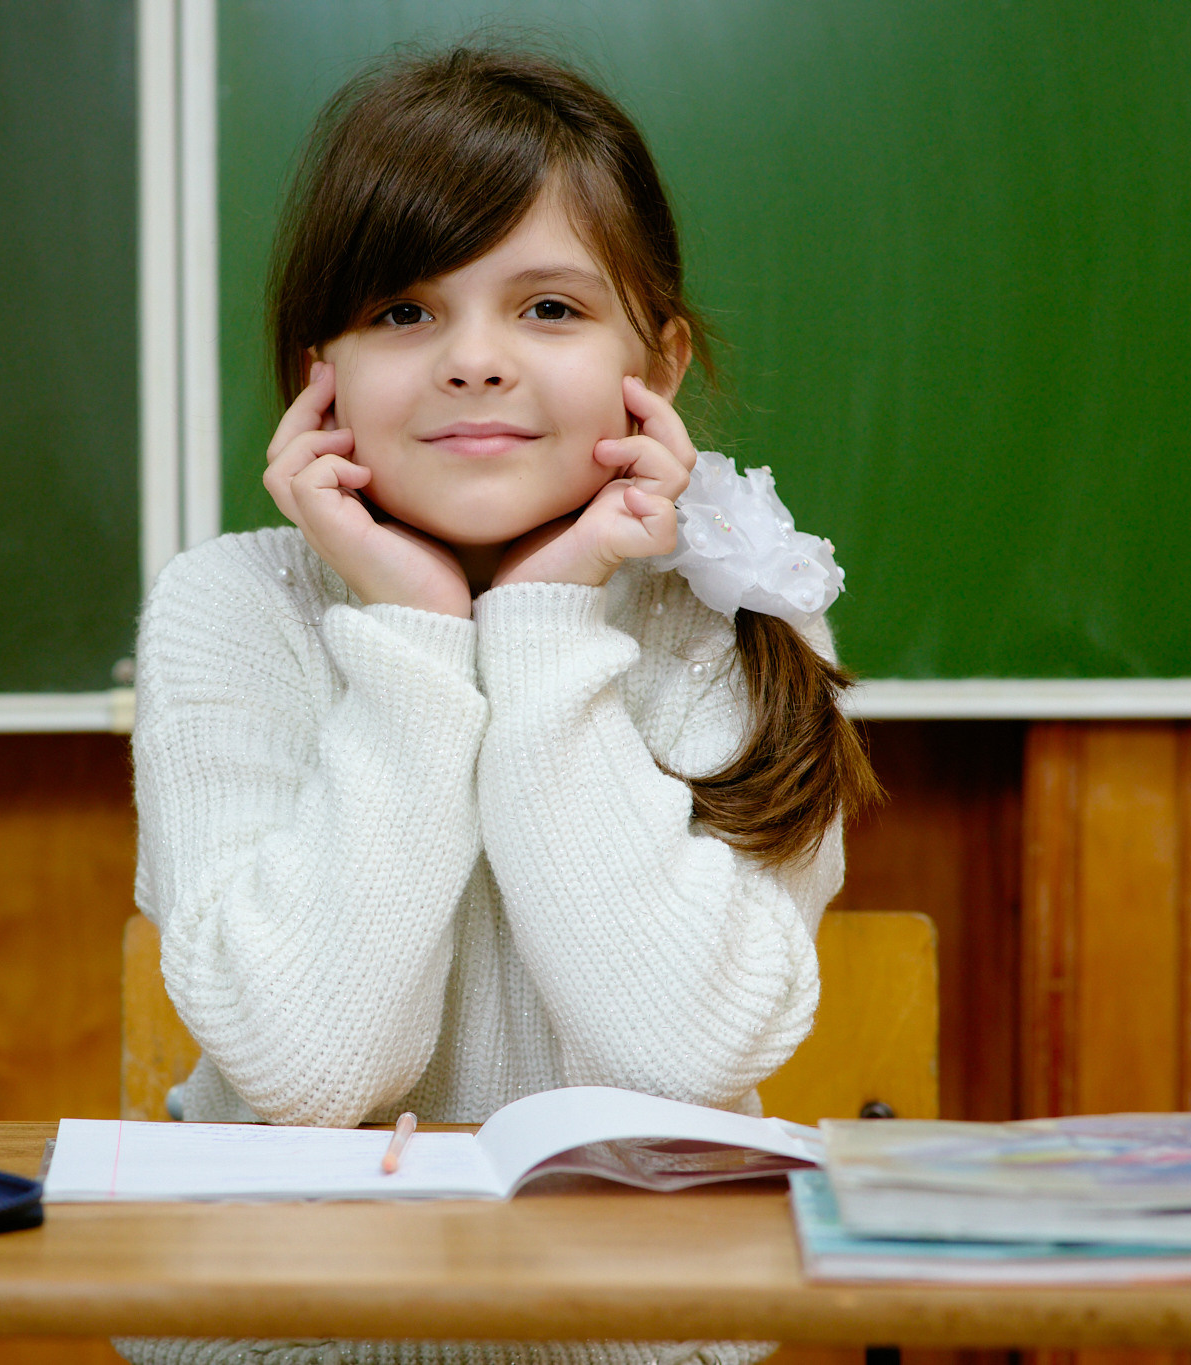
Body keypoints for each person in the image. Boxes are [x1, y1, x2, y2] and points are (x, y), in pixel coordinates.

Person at [121, 45, 880, 1365]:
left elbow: (680, 1058)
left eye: (548, 309)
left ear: (663, 359)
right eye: (406, 312)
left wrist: (541, 624)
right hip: (287, 1337)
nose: (475, 361)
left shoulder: (742, 621)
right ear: (324, 375)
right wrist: (415, 628)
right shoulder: (228, 606)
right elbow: (314, 1067)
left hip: (630, 1341)